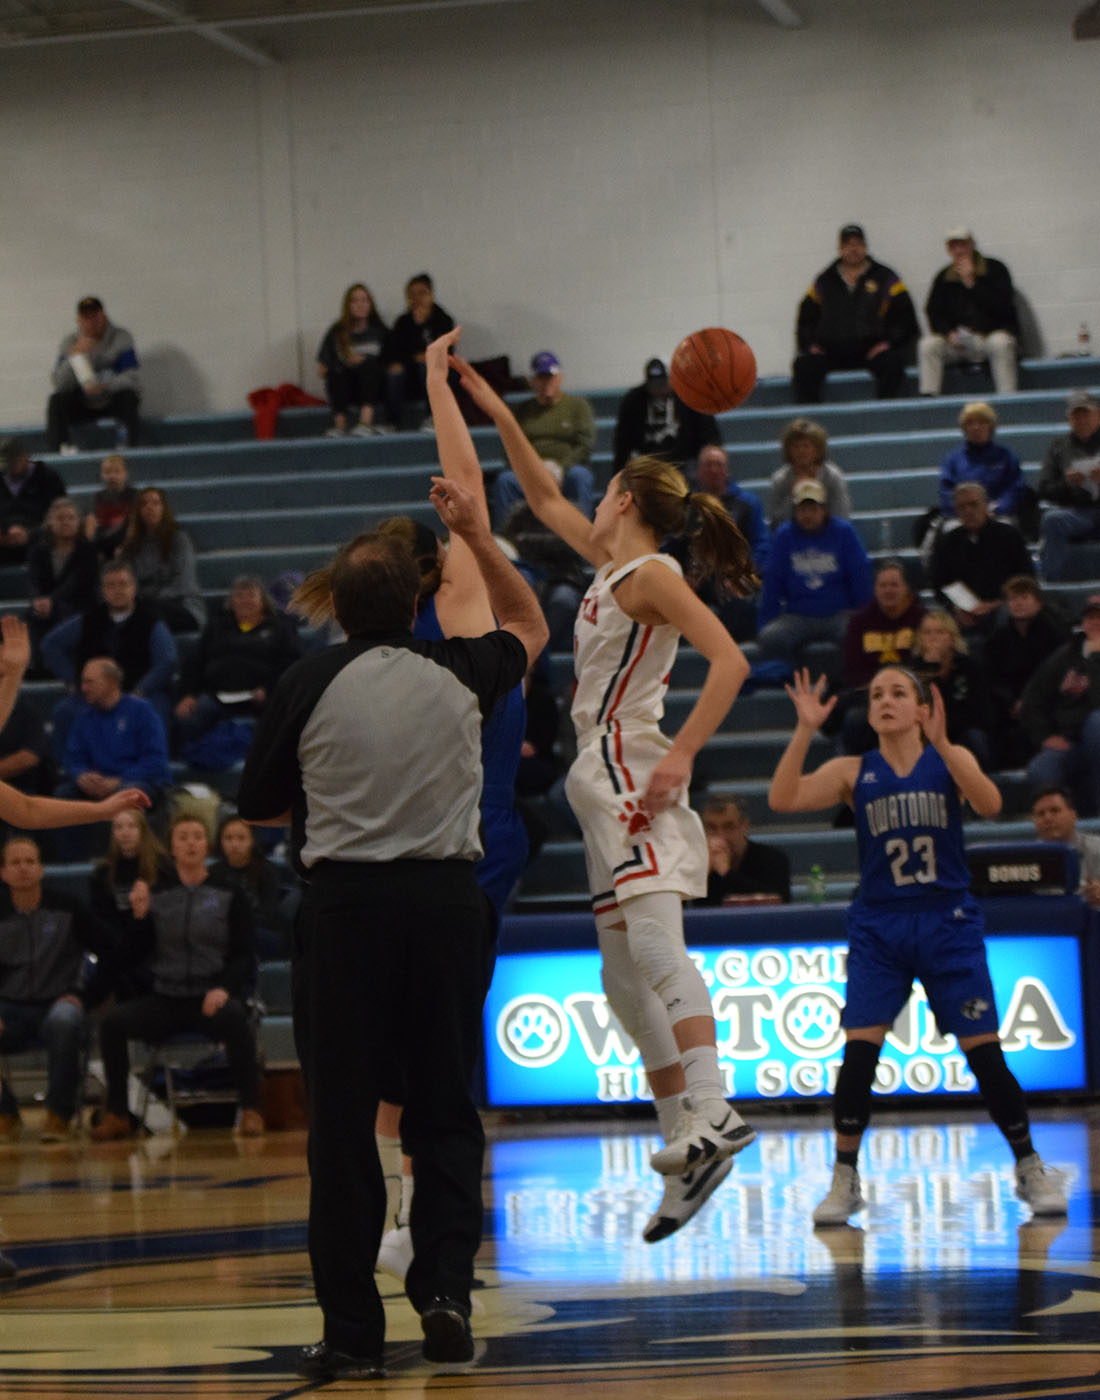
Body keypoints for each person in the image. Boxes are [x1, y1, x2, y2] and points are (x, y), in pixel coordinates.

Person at [236, 484, 547, 1378]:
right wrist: (482, 541)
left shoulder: (304, 681)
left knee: (341, 1128)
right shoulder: (462, 669)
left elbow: (258, 804)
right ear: (416, 602)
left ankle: (351, 1335)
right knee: (446, 1111)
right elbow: (529, 626)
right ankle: (446, 1294)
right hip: (447, 906)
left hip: (347, 915)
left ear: (339, 605)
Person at [450, 350, 759, 1246]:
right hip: (598, 776)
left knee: (658, 952)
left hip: (632, 764)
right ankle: (686, 1147)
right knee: (623, 984)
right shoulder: (610, 567)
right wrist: (490, 406)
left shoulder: (652, 574)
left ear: (623, 496)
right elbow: (542, 496)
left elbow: (733, 662)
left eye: (602, 491)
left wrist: (681, 760)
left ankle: (714, 1109)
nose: (586, 502)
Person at [769, 667, 1067, 1225]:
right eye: (876, 693)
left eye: (897, 693)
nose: (884, 700)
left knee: (985, 1053)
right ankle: (844, 1178)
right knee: (859, 1054)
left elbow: (992, 803)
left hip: (947, 920)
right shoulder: (851, 770)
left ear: (920, 706)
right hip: (880, 925)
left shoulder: (948, 761)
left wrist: (946, 744)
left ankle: (1029, 1165)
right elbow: (782, 798)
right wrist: (806, 729)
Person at [90, 814, 264, 1142]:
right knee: (113, 1023)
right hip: (167, 998)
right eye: (182, 837)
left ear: (207, 846)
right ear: (171, 847)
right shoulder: (158, 894)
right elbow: (129, 956)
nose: (190, 843)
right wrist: (139, 917)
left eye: (197, 836)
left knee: (237, 1019)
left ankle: (251, 1108)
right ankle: (116, 1113)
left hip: (210, 996)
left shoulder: (229, 892)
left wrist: (224, 988)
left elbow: (244, 952)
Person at [0, 836, 116, 1141]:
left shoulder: (69, 908)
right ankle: (5, 1111)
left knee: (64, 1022)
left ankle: (58, 1115)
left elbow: (112, 953)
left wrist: (85, 996)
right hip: (9, 1006)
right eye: (15, 862)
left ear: (41, 869)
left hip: (59, 1002)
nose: (23, 868)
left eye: (30, 861)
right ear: (4, 873)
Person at [41, 559, 178, 749]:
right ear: (103, 591)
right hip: (95, 692)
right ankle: (69, 771)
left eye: (123, 584)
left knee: (153, 712)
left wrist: (141, 690)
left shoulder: (151, 621)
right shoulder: (89, 620)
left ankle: (150, 773)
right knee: (64, 711)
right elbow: (51, 645)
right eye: (111, 585)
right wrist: (73, 680)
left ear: (134, 588)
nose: (117, 590)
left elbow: (167, 661)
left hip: (140, 691)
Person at [756, 478, 873, 675]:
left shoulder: (844, 532)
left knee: (859, 634)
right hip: (798, 616)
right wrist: (765, 623)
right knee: (771, 637)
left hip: (839, 614)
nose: (808, 515)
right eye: (802, 510)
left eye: (813, 509)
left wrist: (866, 616)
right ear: (794, 511)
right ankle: (784, 679)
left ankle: (850, 682)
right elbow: (772, 584)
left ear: (824, 509)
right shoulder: (784, 536)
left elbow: (860, 576)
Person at [792, 224, 919, 404]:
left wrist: (889, 342)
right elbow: (805, 319)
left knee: (892, 363)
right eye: (848, 245)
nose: (853, 249)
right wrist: (809, 345)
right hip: (831, 351)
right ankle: (812, 423)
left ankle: (885, 417)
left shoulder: (886, 277)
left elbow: (906, 318)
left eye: (857, 244)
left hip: (871, 350)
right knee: (804, 365)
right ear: (840, 249)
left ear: (865, 247)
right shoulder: (824, 280)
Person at [174, 575, 302, 752]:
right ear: (231, 602)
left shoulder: (279, 628)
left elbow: (291, 664)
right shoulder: (216, 627)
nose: (245, 600)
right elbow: (195, 662)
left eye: (251, 595)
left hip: (263, 695)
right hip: (218, 695)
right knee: (190, 715)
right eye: (239, 596)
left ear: (263, 600)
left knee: (284, 716)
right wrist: (188, 694)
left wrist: (269, 688)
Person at [492, 352, 596, 524]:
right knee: (505, 480)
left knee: (581, 476)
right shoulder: (522, 411)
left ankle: (586, 532)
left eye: (551, 377)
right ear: (533, 381)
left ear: (560, 377)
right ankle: (505, 538)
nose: (547, 382)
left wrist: (560, 469)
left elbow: (585, 444)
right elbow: (511, 446)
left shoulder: (578, 406)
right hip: (530, 472)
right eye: (541, 377)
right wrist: (534, 472)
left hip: (567, 469)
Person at [58, 658, 173, 811]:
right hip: (97, 785)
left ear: (111, 682)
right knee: (64, 794)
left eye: (89, 682)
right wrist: (82, 776)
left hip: (137, 782)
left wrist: (119, 780)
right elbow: (73, 758)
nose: (83, 688)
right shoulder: (84, 717)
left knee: (126, 794)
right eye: (83, 682)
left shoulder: (142, 711)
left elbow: (155, 760)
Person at [1020, 596, 1100, 815]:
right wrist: (1044, 736)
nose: (1095, 622)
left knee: (1096, 723)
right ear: (1082, 623)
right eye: (1090, 617)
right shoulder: (1064, 657)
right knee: (1041, 769)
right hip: (1070, 743)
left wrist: (1094, 659)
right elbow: (1032, 701)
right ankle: (1057, 833)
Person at [836, 558, 925, 754]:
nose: (888, 590)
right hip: (869, 695)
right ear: (875, 590)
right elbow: (852, 671)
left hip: (911, 694)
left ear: (907, 588)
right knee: (856, 719)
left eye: (894, 585)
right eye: (883, 585)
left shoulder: (922, 619)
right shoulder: (859, 623)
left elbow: (925, 666)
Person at [919, 228, 1019, 396]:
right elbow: (933, 311)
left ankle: (1007, 397)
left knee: (1001, 343)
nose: (958, 251)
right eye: (953, 246)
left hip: (988, 337)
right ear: (948, 250)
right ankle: (929, 397)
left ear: (972, 245)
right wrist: (948, 333)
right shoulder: (944, 277)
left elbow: (1003, 308)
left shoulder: (995, 269)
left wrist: (972, 283)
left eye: (962, 245)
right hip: (958, 341)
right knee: (928, 345)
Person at [927, 483, 1034, 637]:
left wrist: (996, 604)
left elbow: (1025, 577)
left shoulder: (1009, 536)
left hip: (1004, 605)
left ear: (986, 505)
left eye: (973, 504)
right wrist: (956, 608)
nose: (968, 511)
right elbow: (940, 584)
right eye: (962, 507)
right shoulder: (949, 541)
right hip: (963, 611)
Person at [985, 577, 1069, 769]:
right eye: (1013, 599)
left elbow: (1056, 675)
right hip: (1010, 709)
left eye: (1024, 597)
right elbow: (992, 678)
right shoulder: (997, 640)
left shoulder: (1055, 635)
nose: (1019, 603)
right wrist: (1010, 702)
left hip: (1046, 706)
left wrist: (1029, 702)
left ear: (1038, 603)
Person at [46, 296, 142, 453]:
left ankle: (129, 448)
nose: (91, 322)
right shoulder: (70, 342)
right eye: (86, 317)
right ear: (79, 320)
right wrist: (74, 356)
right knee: (56, 401)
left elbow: (132, 377)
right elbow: (60, 384)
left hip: (111, 399)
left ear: (102, 316)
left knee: (129, 397)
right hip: (82, 402)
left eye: (94, 316)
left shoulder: (121, 338)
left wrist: (106, 386)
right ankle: (59, 450)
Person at [934, 402, 1036, 537]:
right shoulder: (953, 460)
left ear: (991, 426)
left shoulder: (1007, 457)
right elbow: (946, 491)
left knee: (1006, 529)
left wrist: (996, 509)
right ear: (964, 428)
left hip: (997, 515)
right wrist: (967, 511)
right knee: (951, 530)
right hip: (961, 517)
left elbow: (1015, 489)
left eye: (982, 422)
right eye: (970, 423)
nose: (976, 427)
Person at [909, 609, 993, 769]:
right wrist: (930, 668)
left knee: (976, 738)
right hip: (925, 734)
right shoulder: (912, 671)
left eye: (940, 632)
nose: (933, 637)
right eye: (927, 632)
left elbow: (982, 713)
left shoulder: (970, 667)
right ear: (920, 638)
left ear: (952, 638)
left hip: (962, 732)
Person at [118, 486, 206, 633]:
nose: (149, 508)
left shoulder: (178, 539)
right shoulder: (132, 547)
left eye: (155, 503)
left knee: (144, 615)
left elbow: (184, 581)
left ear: (164, 508)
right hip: (144, 606)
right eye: (144, 504)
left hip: (182, 606)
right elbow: (128, 583)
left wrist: (148, 598)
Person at [612, 357, 720, 471]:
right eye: (653, 384)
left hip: (684, 461)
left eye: (662, 383)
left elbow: (708, 431)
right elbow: (622, 441)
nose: (657, 389)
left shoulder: (689, 397)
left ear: (671, 380)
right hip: (648, 463)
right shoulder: (633, 401)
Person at [1037, 391, 1100, 581]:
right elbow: (1044, 488)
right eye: (1076, 415)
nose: (1081, 419)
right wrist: (1067, 483)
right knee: (1053, 520)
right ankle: (1051, 582)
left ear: (1098, 415)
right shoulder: (1058, 446)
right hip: (1077, 512)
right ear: (1068, 419)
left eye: (1086, 414)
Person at [26, 497, 99, 660]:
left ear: (78, 522)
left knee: (64, 610)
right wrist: (37, 600)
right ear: (50, 523)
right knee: (32, 614)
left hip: (80, 603)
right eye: (60, 518)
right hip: (47, 603)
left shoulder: (88, 551)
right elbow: (33, 580)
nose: (65, 522)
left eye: (70, 518)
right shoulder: (39, 551)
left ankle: (67, 660)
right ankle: (37, 664)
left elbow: (77, 582)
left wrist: (51, 600)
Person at [210, 815, 289, 961]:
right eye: (228, 838)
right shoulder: (213, 872)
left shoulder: (267, 871)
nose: (234, 844)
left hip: (261, 932)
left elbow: (268, 912)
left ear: (252, 841)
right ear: (220, 842)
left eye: (241, 838)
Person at [383, 273, 455, 430]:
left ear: (431, 295)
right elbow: (394, 351)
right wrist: (416, 327)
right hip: (410, 374)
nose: (417, 299)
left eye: (422, 293)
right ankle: (392, 422)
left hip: (436, 373)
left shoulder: (443, 320)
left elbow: (447, 351)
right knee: (394, 372)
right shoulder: (403, 322)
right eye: (412, 295)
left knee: (428, 367)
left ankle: (433, 417)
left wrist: (427, 357)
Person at [316, 283, 389, 437]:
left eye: (364, 300)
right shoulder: (337, 332)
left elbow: (391, 363)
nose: (360, 305)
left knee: (369, 365)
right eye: (355, 301)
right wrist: (347, 363)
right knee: (337, 372)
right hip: (346, 386)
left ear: (370, 304)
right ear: (348, 305)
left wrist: (364, 362)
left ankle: (365, 423)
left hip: (373, 387)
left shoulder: (380, 331)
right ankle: (340, 426)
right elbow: (322, 369)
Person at [699, 795, 790, 905]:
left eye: (729, 827)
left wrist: (727, 873)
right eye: (711, 828)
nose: (720, 836)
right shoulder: (695, 862)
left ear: (744, 825)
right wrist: (701, 874)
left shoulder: (773, 859)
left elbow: (777, 903)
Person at [766, 418, 851, 530]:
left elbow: (841, 516)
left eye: (806, 446)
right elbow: (776, 522)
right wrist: (793, 495)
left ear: (817, 449)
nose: (801, 451)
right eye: (796, 446)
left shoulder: (832, 476)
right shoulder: (780, 480)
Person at [1030, 785, 1100, 908]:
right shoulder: (1027, 857)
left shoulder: (1097, 848)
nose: (1048, 818)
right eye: (1041, 814)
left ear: (1073, 815)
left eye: (1055, 811)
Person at [0, 437, 66, 563]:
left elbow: (59, 516)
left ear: (25, 456)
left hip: (40, 539)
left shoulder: (48, 477)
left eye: (13, 464)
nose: (8, 469)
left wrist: (31, 534)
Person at [83, 454, 138, 559]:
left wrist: (124, 547)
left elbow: (134, 527)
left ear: (125, 474)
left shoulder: (134, 496)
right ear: (101, 475)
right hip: (102, 546)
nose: (112, 476)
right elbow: (90, 528)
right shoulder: (97, 497)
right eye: (107, 472)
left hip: (126, 545)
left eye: (117, 472)